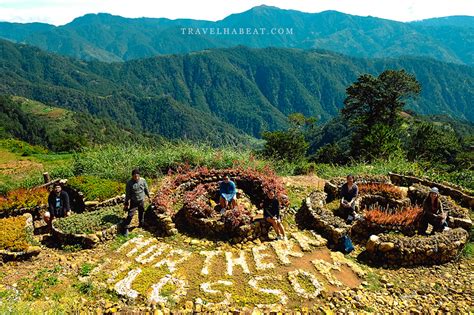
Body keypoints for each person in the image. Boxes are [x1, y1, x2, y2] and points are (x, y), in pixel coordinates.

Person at [123, 168, 150, 236]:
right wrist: (126, 203)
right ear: (132, 176)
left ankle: (141, 223)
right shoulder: (129, 183)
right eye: (135, 176)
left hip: (141, 200)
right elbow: (128, 194)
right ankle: (126, 228)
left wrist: (149, 196)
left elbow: (146, 189)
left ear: (139, 175)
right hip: (134, 201)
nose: (136, 177)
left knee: (142, 211)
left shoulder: (143, 180)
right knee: (130, 214)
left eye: (137, 176)